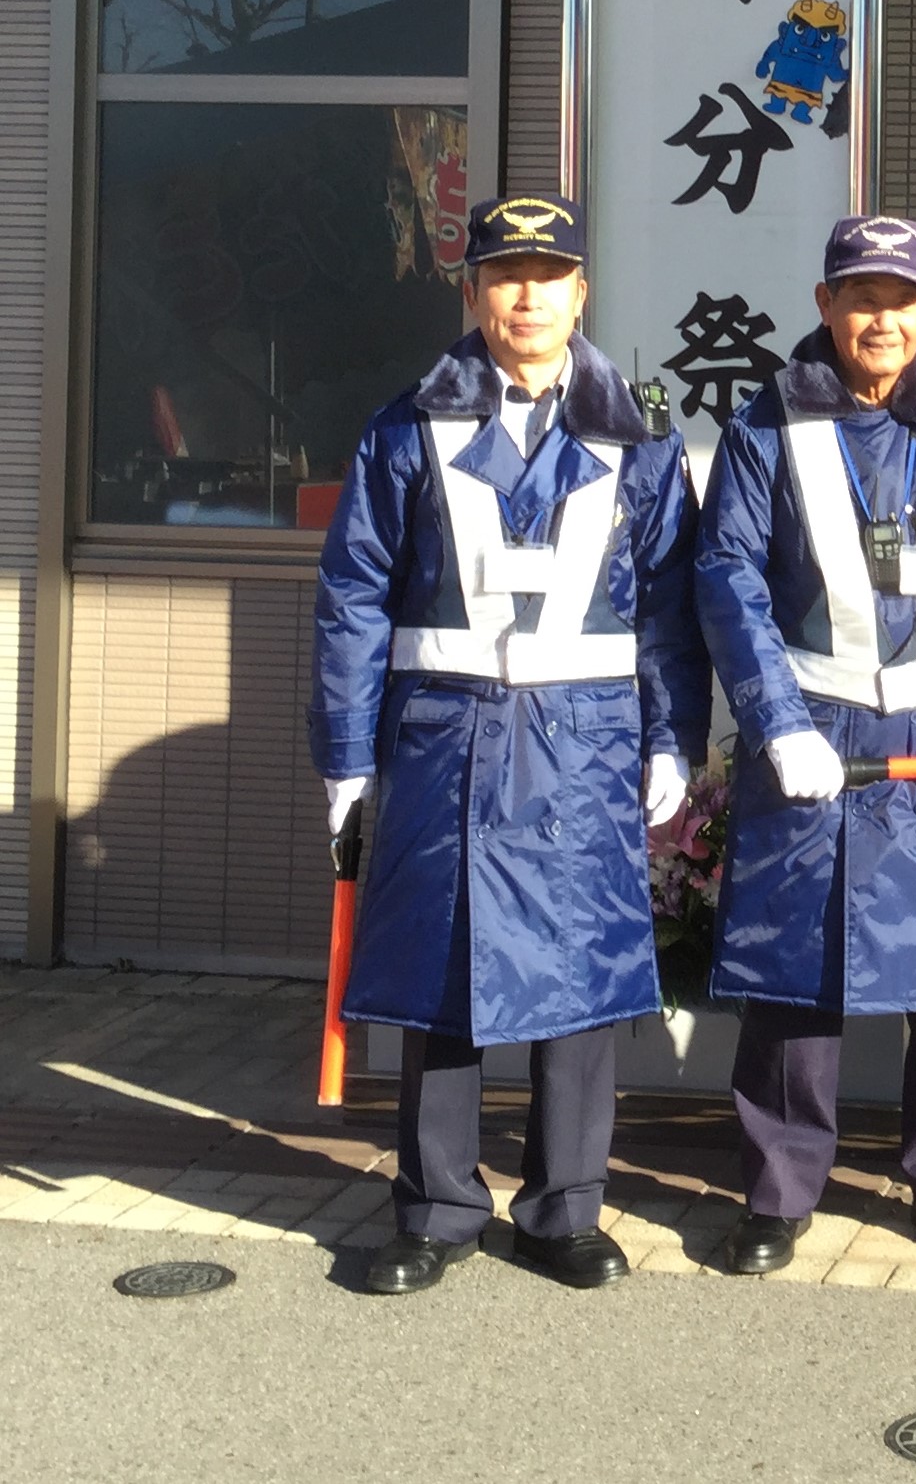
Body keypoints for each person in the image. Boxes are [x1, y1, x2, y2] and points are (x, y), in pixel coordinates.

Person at [309, 192, 709, 1295]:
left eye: (549, 272)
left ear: (582, 291)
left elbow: (673, 601)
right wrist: (345, 756)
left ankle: (564, 1208)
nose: (525, 293)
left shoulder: (642, 430)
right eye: (503, 272)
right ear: (472, 289)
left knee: (577, 978)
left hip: (583, 746)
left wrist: (674, 736)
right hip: (445, 738)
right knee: (443, 975)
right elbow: (352, 595)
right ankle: (436, 1202)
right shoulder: (404, 427)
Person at [695, 214, 916, 1275]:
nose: (880, 317)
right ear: (825, 306)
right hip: (816, 737)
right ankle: (780, 1184)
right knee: (796, 970)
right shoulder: (766, 425)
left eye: (901, 298)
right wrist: (776, 723)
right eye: (860, 295)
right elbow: (728, 577)